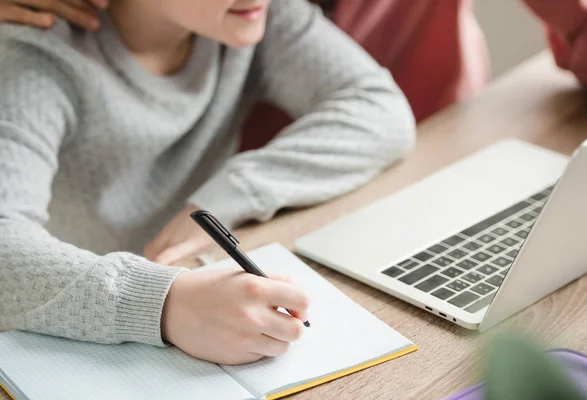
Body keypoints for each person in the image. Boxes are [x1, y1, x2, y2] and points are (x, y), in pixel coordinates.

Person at [0, 0, 416, 364]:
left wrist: (225, 197)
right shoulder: (34, 58)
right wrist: (165, 303)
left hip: (199, 288)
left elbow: (379, 109)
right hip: (67, 328)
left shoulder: (256, 15)